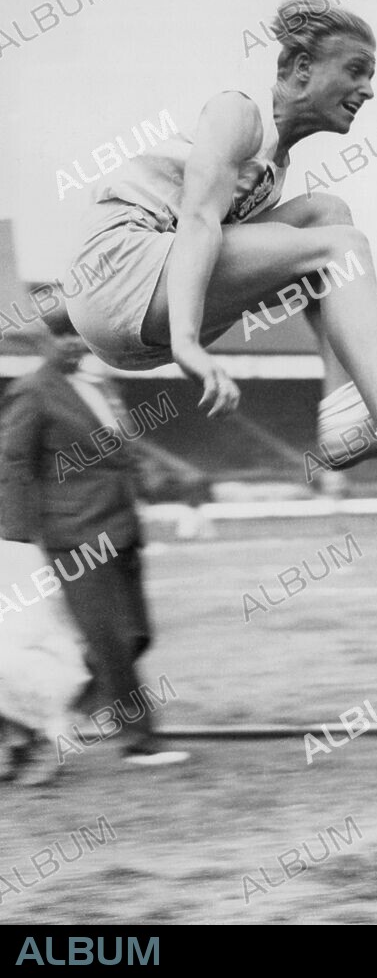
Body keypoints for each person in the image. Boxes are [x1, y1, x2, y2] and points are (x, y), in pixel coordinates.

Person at [63, 0, 377, 511]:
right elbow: (199, 220)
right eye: (356, 70)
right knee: (339, 245)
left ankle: (348, 410)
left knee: (328, 213)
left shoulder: (276, 171)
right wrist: (188, 344)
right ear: (301, 67)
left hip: (141, 320)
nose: (368, 89)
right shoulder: (239, 113)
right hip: (117, 272)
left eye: (370, 76)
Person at [0, 302, 188, 768]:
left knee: (138, 634)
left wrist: (145, 488)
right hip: (75, 535)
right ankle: (139, 741)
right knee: (111, 640)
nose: (70, 344)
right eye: (60, 336)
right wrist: (18, 536)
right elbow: (14, 462)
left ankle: (54, 709)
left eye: (77, 336)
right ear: (43, 340)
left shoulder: (101, 384)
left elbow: (117, 455)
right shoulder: (33, 392)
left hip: (123, 526)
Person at [0, 538, 89, 786]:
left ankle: (39, 748)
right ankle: (17, 746)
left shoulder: (21, 556)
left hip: (42, 654)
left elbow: (32, 626)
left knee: (8, 663)